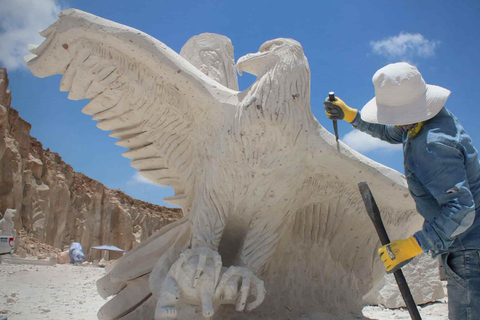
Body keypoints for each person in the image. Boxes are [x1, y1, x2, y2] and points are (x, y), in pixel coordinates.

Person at [324, 62, 480, 320]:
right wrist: (353, 116)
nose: (395, 123)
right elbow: (396, 133)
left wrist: (414, 244)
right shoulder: (426, 118)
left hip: (469, 248)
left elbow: (461, 209)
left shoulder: (434, 146)